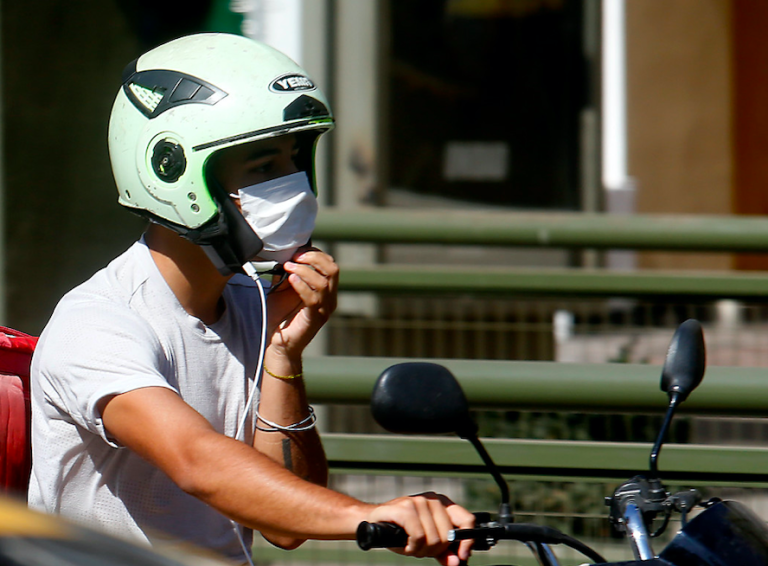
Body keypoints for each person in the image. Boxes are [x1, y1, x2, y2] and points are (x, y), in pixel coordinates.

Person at [27, 32, 474, 565]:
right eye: (264, 169)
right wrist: (368, 515)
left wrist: (283, 356)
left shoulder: (252, 303)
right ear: (171, 170)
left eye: (295, 161)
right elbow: (197, 462)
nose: (293, 187)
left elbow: (283, 527)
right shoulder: (100, 322)